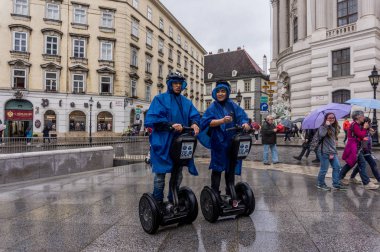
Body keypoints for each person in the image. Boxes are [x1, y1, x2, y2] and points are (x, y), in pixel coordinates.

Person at [144, 72, 200, 209]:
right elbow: (152, 119)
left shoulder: (186, 102)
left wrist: (194, 123)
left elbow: (194, 115)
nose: (178, 86)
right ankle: (157, 203)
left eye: (180, 84)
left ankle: (172, 199)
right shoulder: (159, 99)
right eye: (175, 83)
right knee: (160, 175)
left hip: (180, 144)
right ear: (169, 84)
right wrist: (170, 125)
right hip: (162, 143)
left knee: (178, 173)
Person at [198, 80, 250, 202]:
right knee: (217, 168)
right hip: (218, 143)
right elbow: (206, 123)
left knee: (230, 168)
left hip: (232, 142)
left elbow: (242, 116)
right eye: (218, 91)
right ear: (215, 93)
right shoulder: (212, 107)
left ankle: (229, 193)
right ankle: (215, 195)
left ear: (227, 92)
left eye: (223, 91)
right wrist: (222, 121)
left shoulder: (233, 105)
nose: (220, 94)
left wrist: (245, 124)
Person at [340, 111, 378, 190]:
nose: (363, 117)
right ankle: (366, 183)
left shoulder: (356, 124)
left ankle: (340, 177)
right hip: (354, 147)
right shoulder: (354, 125)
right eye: (362, 116)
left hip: (356, 147)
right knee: (362, 163)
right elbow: (361, 134)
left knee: (351, 163)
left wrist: (366, 129)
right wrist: (364, 129)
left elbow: (360, 136)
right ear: (357, 117)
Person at [316, 113, 346, 191]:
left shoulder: (333, 127)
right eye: (329, 118)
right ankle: (320, 184)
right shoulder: (322, 127)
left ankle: (336, 184)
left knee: (337, 167)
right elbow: (322, 135)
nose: (331, 119)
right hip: (324, 152)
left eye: (333, 117)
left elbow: (333, 140)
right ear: (326, 119)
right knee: (324, 169)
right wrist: (326, 125)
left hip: (332, 151)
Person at [348, 117, 380, 185]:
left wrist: (371, 132)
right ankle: (377, 179)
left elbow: (369, 137)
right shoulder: (362, 130)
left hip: (366, 150)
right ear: (365, 123)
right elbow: (362, 139)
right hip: (363, 150)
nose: (370, 124)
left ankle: (352, 177)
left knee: (360, 165)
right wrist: (366, 149)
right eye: (369, 122)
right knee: (372, 164)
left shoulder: (366, 129)